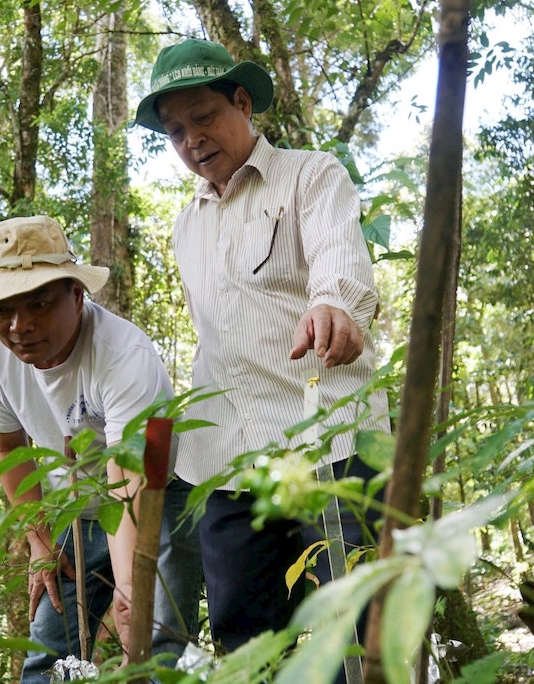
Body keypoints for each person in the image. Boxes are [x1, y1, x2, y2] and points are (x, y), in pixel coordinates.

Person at [133, 38, 390, 681]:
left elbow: (339, 265)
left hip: (327, 442)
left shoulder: (311, 175)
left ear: (243, 103)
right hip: (228, 465)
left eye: (204, 117)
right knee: (248, 644)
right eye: (175, 131)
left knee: (355, 634)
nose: (192, 140)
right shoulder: (186, 224)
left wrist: (334, 307)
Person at [0, 215, 203, 683]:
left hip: (157, 499)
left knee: (154, 640)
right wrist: (40, 541)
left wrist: (129, 589)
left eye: (39, 303)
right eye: (1, 310)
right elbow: (8, 446)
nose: (19, 326)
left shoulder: (123, 355)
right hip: (74, 504)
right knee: (49, 648)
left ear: (77, 295)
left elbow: (129, 478)